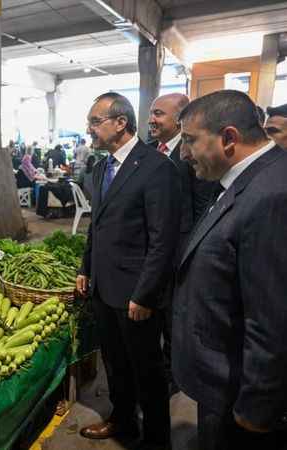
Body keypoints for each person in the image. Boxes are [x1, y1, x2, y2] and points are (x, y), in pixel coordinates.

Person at [174, 90, 287, 450]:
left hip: (239, 394)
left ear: (228, 138)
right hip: (219, 380)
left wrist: (255, 410)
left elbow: (272, 319)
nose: (183, 152)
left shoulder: (271, 196)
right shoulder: (242, 181)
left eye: (190, 140)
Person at [76, 92, 180, 450]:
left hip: (136, 293)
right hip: (104, 286)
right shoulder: (101, 166)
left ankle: (155, 440)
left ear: (120, 123)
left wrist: (146, 293)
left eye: (94, 121)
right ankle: (122, 423)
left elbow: (163, 239)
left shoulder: (156, 167)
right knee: (115, 364)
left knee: (147, 372)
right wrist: (85, 267)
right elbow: (97, 225)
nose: (89, 129)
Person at [148, 92, 217, 397]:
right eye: (151, 113)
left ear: (178, 120)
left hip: (179, 250)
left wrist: (190, 251)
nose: (151, 119)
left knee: (173, 316)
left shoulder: (191, 156)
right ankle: (154, 368)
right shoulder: (149, 151)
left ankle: (173, 374)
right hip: (149, 248)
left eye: (159, 114)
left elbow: (203, 206)